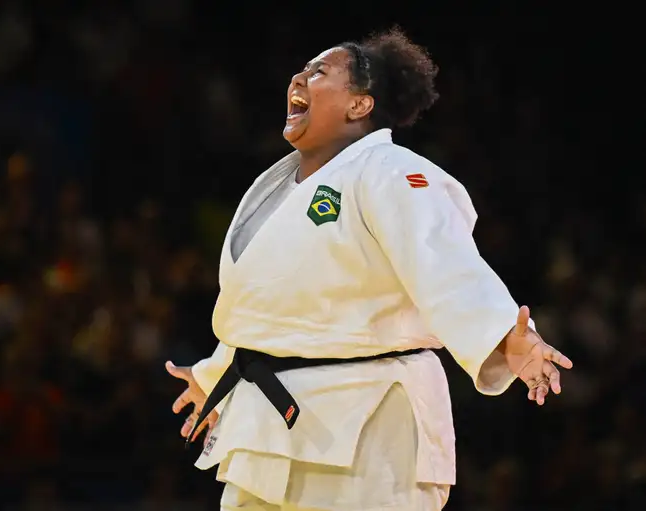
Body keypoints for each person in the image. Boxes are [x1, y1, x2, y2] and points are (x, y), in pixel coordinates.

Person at [166, 26, 573, 511]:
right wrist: (216, 373)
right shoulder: (274, 187)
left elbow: (443, 263)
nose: (297, 78)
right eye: (300, 69)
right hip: (266, 430)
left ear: (359, 105)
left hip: (371, 428)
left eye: (318, 72)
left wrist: (505, 333)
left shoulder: (392, 171)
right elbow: (274, 302)